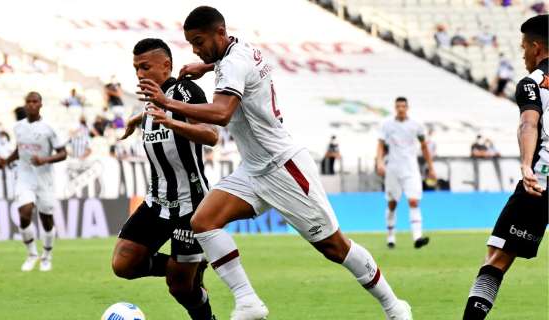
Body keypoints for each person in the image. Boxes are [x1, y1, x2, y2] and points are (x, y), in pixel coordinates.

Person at [138, 7, 412, 320]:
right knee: (203, 222)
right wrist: (207, 65)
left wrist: (168, 102)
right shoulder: (235, 51)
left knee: (335, 247)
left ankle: (395, 306)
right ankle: (248, 302)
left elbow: (222, 114)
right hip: (253, 169)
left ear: (219, 32)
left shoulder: (233, 63)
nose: (195, 49)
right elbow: (230, 63)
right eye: (191, 44)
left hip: (284, 168)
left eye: (198, 42)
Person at [113, 38, 218, 320]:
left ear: (166, 65)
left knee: (181, 288)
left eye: (145, 67)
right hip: (157, 202)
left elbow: (212, 135)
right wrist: (137, 120)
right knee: (123, 264)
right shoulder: (151, 100)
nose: (139, 74)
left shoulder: (186, 91)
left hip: (191, 206)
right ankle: (192, 265)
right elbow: (155, 113)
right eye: (135, 68)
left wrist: (170, 122)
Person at [462, 14, 549, 319]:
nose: (522, 53)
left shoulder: (532, 84)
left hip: (540, 182)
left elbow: (529, 122)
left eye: (524, 46)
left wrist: (526, 165)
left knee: (496, 258)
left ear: (537, 48)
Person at [0, 92, 67, 272]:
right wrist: (6, 160)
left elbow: (63, 153)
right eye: (28, 102)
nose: (31, 105)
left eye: (34, 101)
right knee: (25, 212)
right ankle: (31, 254)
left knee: (46, 219)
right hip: (25, 176)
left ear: (41, 104)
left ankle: (47, 255)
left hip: (45, 178)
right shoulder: (18, 127)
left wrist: (45, 160)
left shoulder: (49, 128)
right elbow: (19, 150)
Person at [376, 97, 436, 249]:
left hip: (411, 169)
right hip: (393, 169)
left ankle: (417, 237)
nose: (401, 109)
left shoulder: (416, 125)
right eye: (398, 106)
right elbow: (380, 145)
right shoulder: (386, 124)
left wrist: (431, 167)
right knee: (392, 204)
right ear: (395, 108)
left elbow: (424, 146)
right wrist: (380, 162)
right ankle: (390, 237)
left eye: (403, 106)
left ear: (407, 107)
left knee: (414, 201)